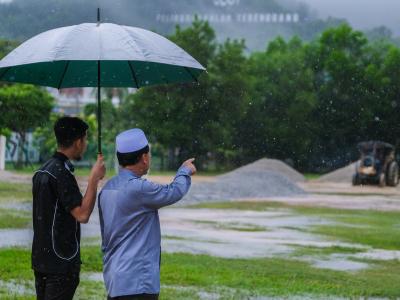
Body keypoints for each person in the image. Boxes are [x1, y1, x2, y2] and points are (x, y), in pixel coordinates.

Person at [98, 128, 196, 300]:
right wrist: (184, 171)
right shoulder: (138, 188)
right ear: (144, 158)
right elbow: (173, 191)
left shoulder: (107, 188)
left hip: (115, 280)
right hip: (138, 282)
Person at [32, 116, 106, 300]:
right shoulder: (61, 173)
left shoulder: (43, 170)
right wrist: (94, 179)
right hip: (60, 263)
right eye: (85, 139)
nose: (86, 144)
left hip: (42, 261)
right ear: (78, 141)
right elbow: (82, 214)